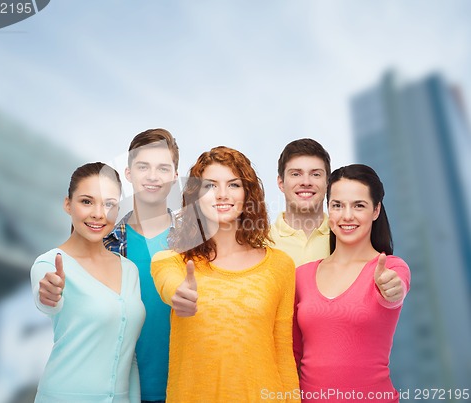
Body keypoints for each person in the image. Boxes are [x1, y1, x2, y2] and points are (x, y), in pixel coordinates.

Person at [151, 146, 300, 403]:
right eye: (210, 186)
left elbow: (283, 355)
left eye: (233, 185)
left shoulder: (280, 266)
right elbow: (170, 284)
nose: (222, 195)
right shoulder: (172, 262)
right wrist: (179, 294)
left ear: (247, 195)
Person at [293, 164, 410, 402]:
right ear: (328, 209)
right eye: (337, 205)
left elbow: (395, 291)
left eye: (359, 205)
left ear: (376, 210)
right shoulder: (301, 276)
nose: (347, 216)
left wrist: (392, 291)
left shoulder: (390, 268)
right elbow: (293, 353)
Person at [31, 162, 145, 402]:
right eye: (86, 201)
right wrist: (49, 295)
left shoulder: (130, 270)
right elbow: (47, 299)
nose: (98, 213)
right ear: (67, 204)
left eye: (109, 204)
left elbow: (128, 353)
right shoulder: (49, 264)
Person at [104, 129, 179, 403]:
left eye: (163, 168)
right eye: (143, 166)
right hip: (120, 390)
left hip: (185, 389)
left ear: (174, 175)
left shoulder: (198, 244)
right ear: (128, 173)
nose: (152, 176)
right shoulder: (104, 243)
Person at [270, 138, 331, 267]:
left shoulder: (345, 238)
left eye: (315, 174)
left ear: (327, 183)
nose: (306, 182)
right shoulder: (260, 242)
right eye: (296, 174)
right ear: (281, 183)